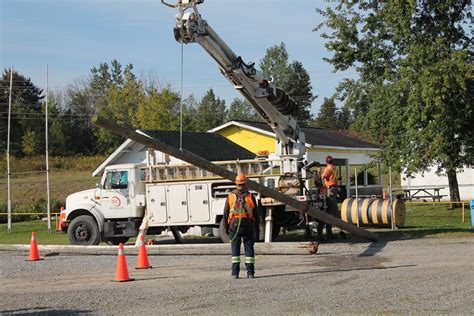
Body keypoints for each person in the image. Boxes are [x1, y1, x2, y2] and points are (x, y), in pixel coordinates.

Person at [223, 172, 259, 279]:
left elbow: (225, 212)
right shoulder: (250, 196)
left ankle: (235, 273)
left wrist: (226, 227)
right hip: (248, 225)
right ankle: (250, 273)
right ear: (245, 183)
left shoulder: (230, 196)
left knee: (235, 251)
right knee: (249, 249)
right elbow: (256, 214)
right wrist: (256, 228)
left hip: (234, 226)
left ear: (236, 183)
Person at [321, 156, 346, 240]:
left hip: (330, 189)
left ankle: (341, 229)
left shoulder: (327, 169)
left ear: (326, 162)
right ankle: (329, 234)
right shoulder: (335, 168)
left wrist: (320, 174)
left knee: (334, 211)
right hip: (334, 188)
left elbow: (323, 177)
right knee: (329, 211)